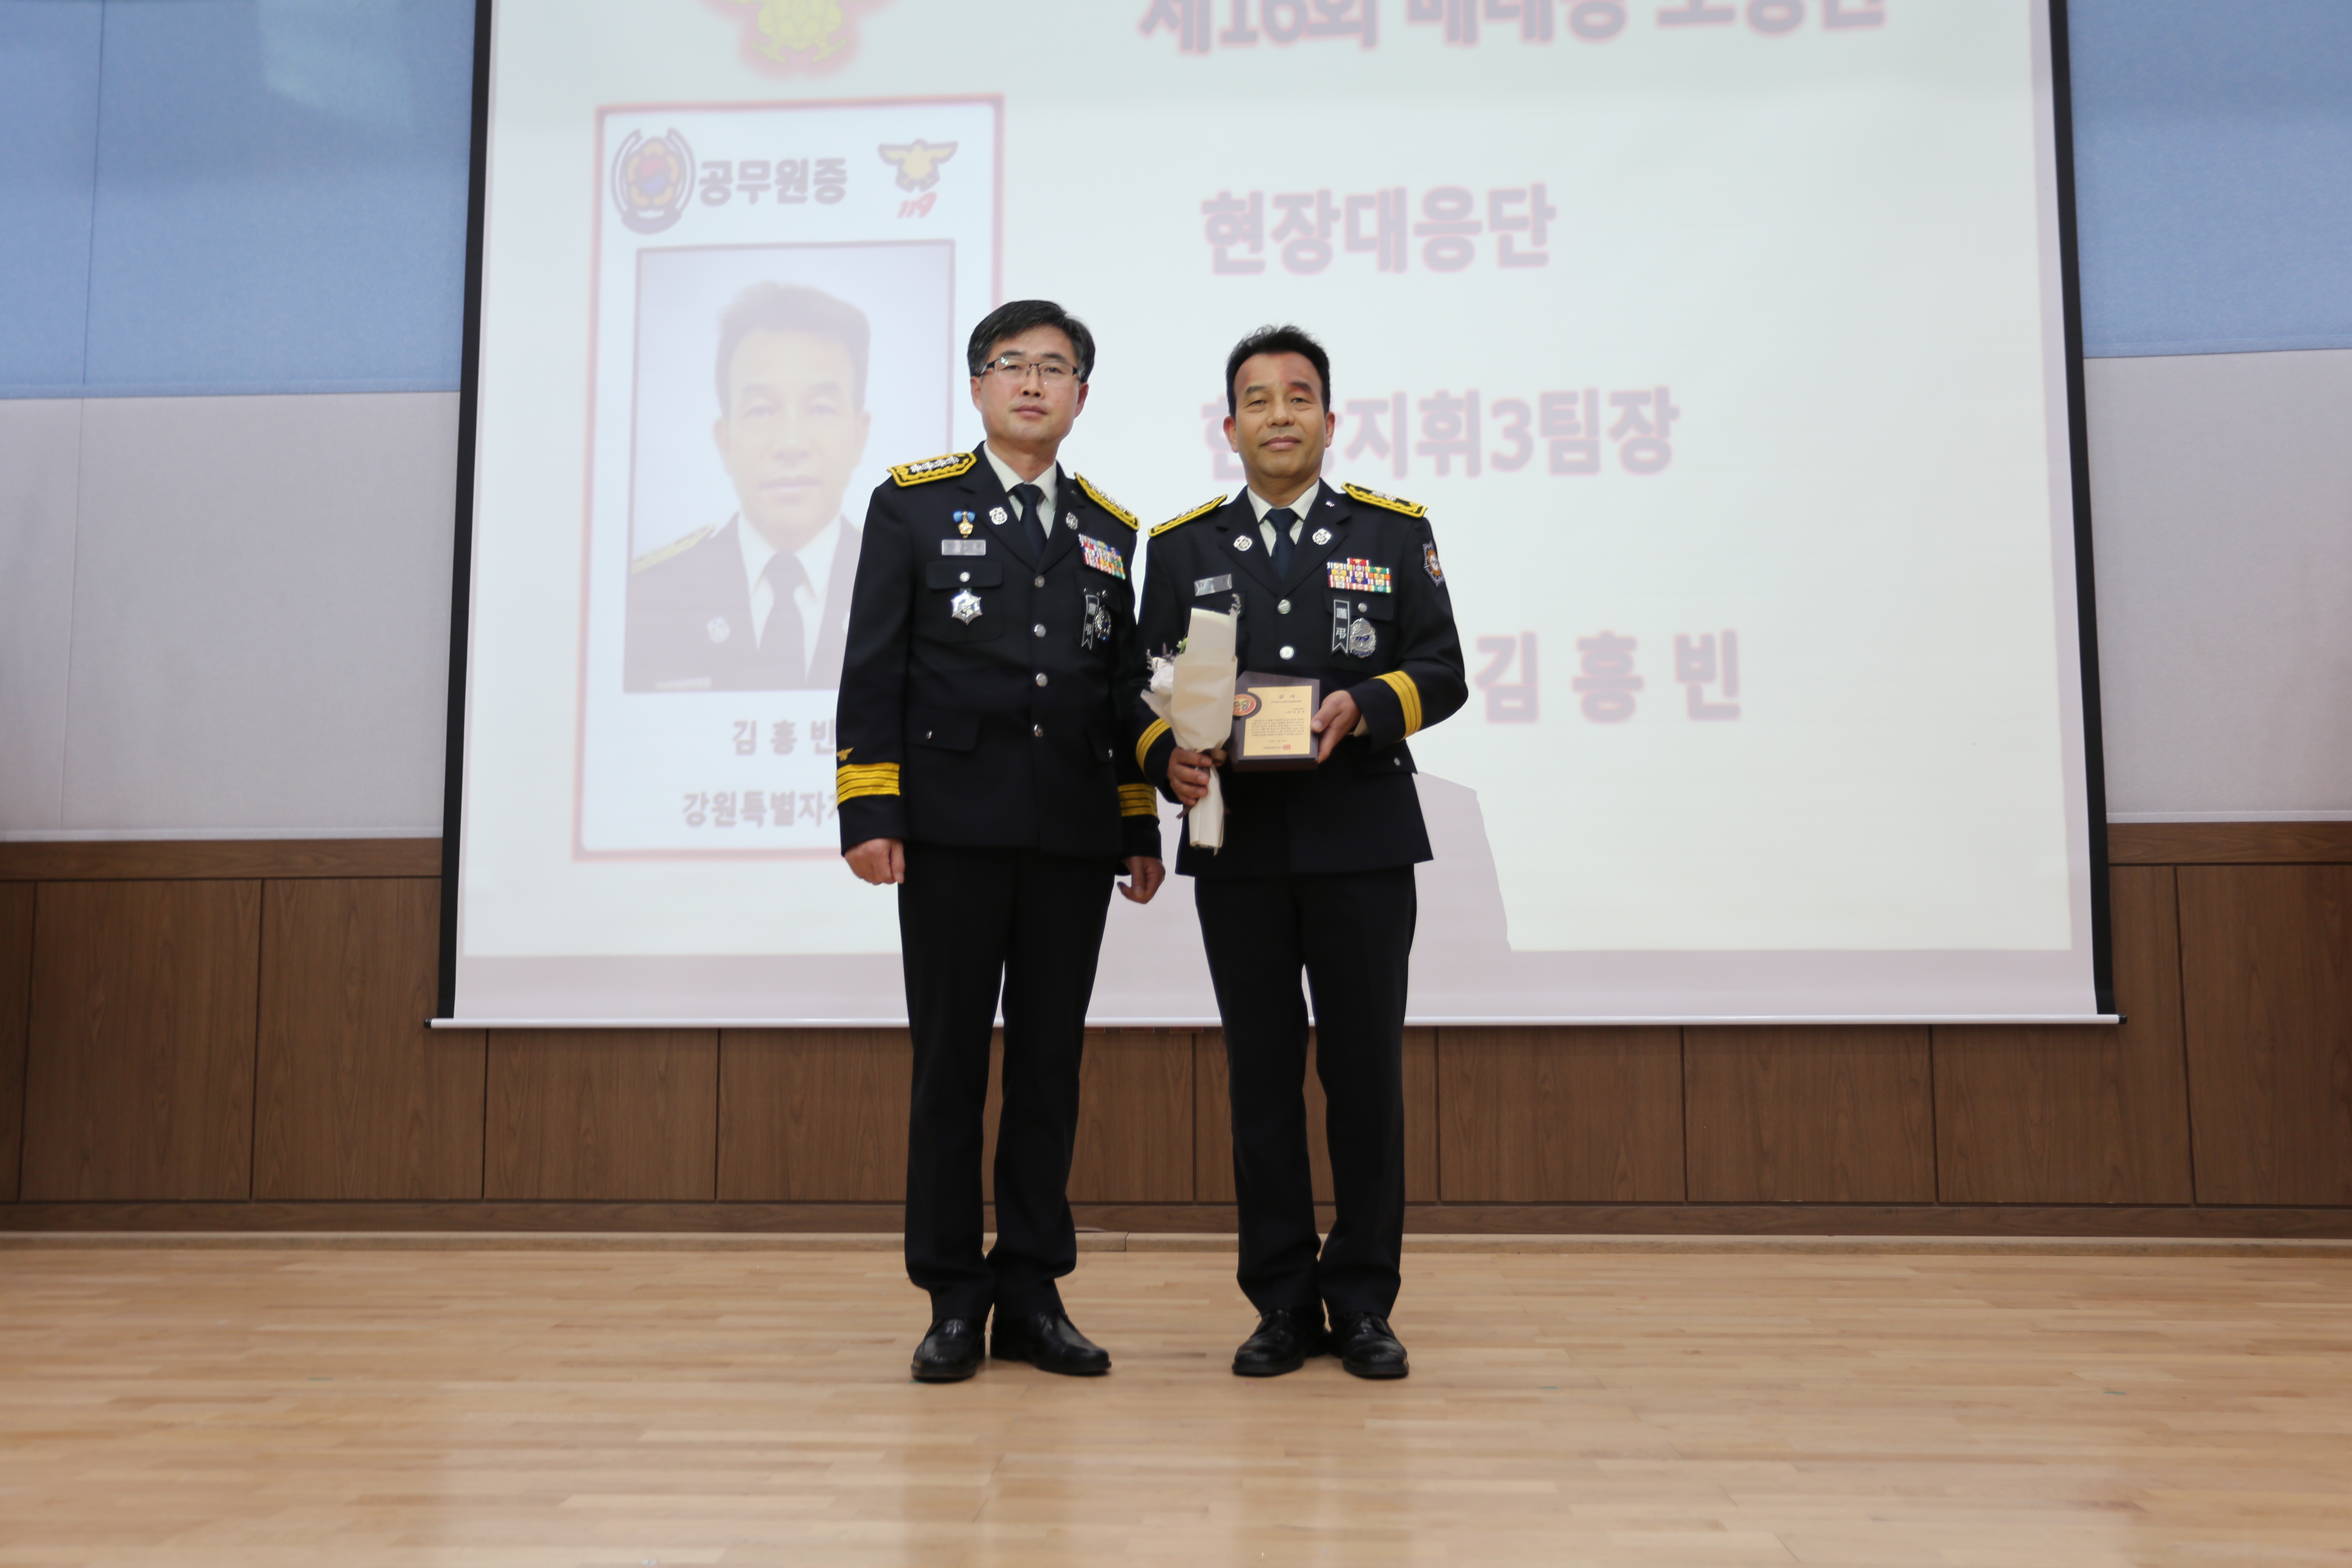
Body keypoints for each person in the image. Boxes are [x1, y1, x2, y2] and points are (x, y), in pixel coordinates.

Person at [833, 299, 1166, 1383]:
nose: (1032, 383)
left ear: (1081, 396)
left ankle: (1030, 1290)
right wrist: (870, 810)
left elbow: (1119, 692)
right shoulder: (912, 504)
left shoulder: (1110, 529)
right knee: (948, 1068)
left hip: (1070, 833)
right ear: (977, 385)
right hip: (949, 831)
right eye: (1011, 364)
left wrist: (1136, 823)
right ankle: (949, 1295)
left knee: (1048, 1067)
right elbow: (873, 666)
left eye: (1054, 368)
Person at [1133, 324, 1466, 1380]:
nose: (1279, 415)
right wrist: (1169, 761)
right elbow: (1143, 688)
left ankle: (1362, 1299)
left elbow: (1442, 668)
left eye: (1298, 396)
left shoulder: (1391, 530)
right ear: (1227, 426)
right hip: (1238, 847)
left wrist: (1366, 705)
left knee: (1365, 1076)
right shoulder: (1182, 547)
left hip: (1361, 839)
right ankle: (1280, 1299)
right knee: (1261, 1078)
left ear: (1329, 418)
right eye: (1257, 399)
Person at [625, 282, 873, 692]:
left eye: (820, 408)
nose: (791, 444)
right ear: (725, 441)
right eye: (761, 410)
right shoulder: (649, 600)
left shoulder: (907, 587)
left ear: (858, 436)